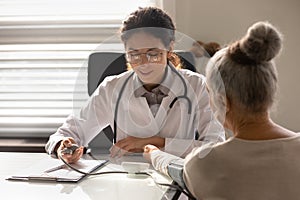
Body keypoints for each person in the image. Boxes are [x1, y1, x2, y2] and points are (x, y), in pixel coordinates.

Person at [45, 6, 225, 163]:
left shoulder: (196, 85)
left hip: (178, 184)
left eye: (152, 53)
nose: (143, 63)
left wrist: (155, 142)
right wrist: (64, 146)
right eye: (134, 54)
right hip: (125, 181)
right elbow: (66, 134)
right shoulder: (112, 88)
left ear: (169, 48)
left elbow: (215, 147)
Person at [144, 21, 300, 199]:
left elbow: (180, 172)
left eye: (208, 93)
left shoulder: (206, 165)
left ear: (222, 101)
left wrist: (156, 155)